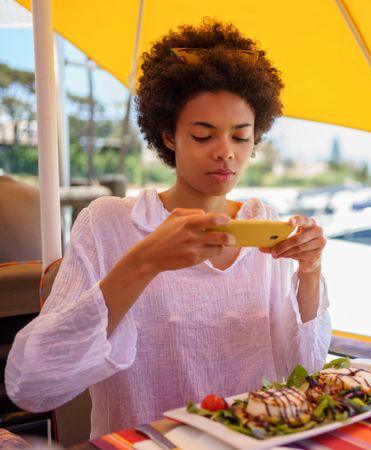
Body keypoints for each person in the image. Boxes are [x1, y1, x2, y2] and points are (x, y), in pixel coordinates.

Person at [5, 19, 331, 437]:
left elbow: (304, 371)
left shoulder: (261, 223)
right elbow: (32, 384)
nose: (225, 154)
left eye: (240, 136)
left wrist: (310, 271)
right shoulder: (110, 223)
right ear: (169, 136)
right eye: (202, 135)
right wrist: (145, 261)